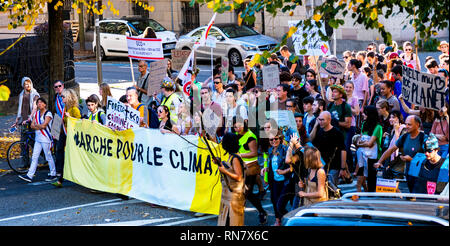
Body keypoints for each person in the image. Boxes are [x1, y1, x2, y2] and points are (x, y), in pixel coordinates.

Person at [375, 115, 427, 192]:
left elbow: (429, 157)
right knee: (411, 197)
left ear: (417, 125)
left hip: (421, 174)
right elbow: (391, 149)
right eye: (406, 124)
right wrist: (379, 162)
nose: (406, 126)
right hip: (409, 172)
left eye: (409, 124)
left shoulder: (423, 138)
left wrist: (412, 159)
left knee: (419, 197)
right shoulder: (404, 137)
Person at [233, 116, 267, 225]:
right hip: (239, 167)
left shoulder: (250, 136)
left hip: (250, 168)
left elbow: (254, 153)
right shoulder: (235, 135)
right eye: (235, 127)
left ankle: (262, 212)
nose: (237, 128)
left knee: (247, 192)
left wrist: (240, 155)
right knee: (244, 193)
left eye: (239, 126)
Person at [18, 97, 56, 183]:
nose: (39, 104)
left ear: (45, 104)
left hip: (46, 138)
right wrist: (39, 126)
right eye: (38, 102)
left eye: (41, 102)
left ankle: (53, 173)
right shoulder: (36, 113)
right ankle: (29, 175)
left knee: (48, 157)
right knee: (34, 157)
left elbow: (44, 125)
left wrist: (37, 126)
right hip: (38, 139)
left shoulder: (48, 113)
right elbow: (32, 125)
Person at [310, 111, 348, 194]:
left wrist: (343, 168)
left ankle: (337, 202)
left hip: (334, 166)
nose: (320, 122)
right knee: (322, 188)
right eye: (319, 120)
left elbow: (343, 150)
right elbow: (310, 140)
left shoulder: (337, 133)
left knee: (331, 188)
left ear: (329, 120)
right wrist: (315, 126)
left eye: (323, 120)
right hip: (321, 165)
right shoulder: (318, 130)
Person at [214, 132, 246, 226]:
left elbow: (239, 177)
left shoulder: (235, 158)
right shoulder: (232, 155)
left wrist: (224, 171)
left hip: (234, 197)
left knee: (232, 223)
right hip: (228, 197)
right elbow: (230, 169)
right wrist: (219, 162)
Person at [52, 88, 81, 188]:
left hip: (71, 136)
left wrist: (70, 117)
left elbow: (78, 124)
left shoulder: (74, 109)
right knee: (59, 151)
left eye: (63, 96)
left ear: (68, 97)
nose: (61, 98)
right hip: (63, 134)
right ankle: (59, 177)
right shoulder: (65, 108)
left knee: (71, 156)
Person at [261, 129, 291, 226]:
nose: (274, 141)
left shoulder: (285, 149)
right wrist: (265, 168)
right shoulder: (270, 150)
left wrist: (284, 172)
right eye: (271, 140)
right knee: (274, 201)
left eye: (276, 139)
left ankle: (291, 219)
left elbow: (293, 167)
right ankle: (278, 220)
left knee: (280, 205)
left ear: (280, 138)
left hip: (285, 181)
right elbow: (271, 164)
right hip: (274, 181)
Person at [354, 105, 383, 192]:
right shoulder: (364, 124)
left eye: (365, 113)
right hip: (362, 155)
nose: (363, 115)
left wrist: (359, 144)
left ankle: (370, 195)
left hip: (373, 157)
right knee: (361, 177)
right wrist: (362, 143)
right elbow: (361, 138)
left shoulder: (378, 127)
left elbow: (370, 143)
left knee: (371, 179)